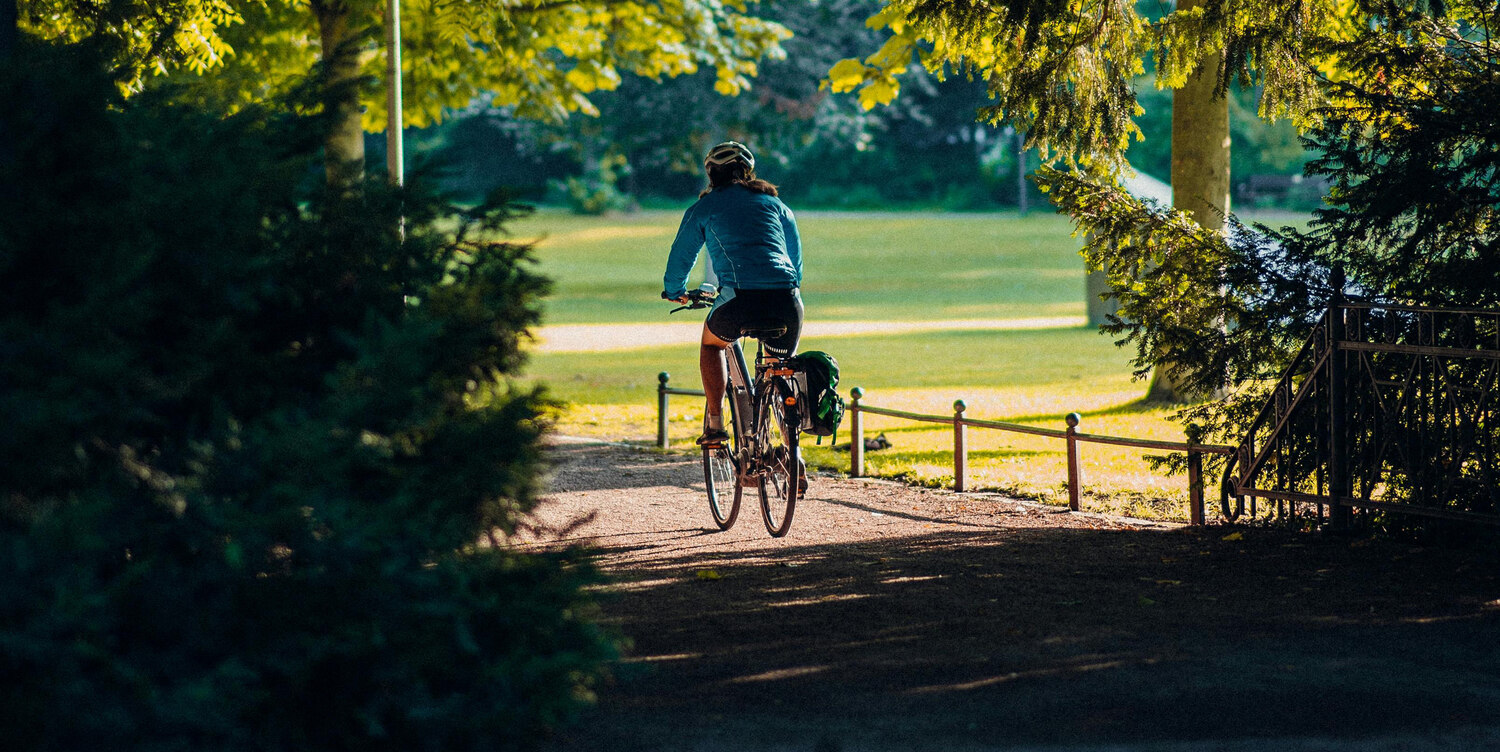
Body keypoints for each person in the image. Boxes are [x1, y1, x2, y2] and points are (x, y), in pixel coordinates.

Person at [662, 140, 803, 445]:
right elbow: (795, 259)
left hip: (739, 299)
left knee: (712, 346)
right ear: (748, 172)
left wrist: (676, 291)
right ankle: (793, 454)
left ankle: (715, 424)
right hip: (787, 300)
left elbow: (681, 256)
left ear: (711, 174)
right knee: (779, 368)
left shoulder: (704, 207)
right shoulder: (777, 205)